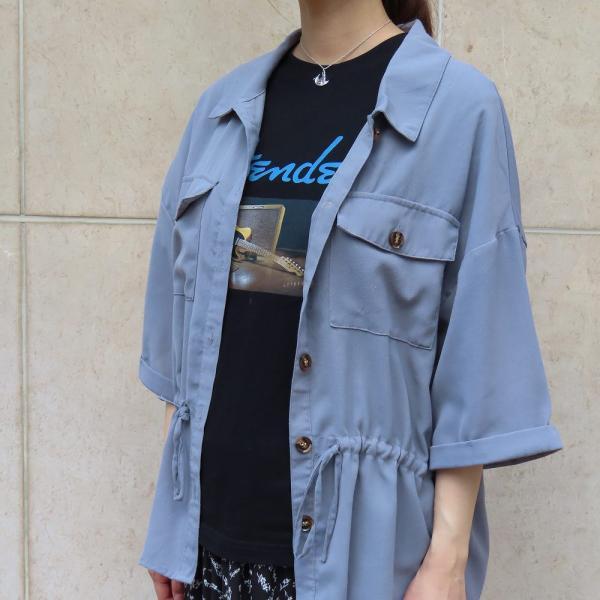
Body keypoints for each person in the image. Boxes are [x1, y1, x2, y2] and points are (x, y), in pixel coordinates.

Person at [137, 1, 564, 599]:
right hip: (211, 552)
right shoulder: (220, 110)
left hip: (363, 562)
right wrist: (171, 521)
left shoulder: (459, 110)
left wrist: (448, 560)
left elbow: (479, 350)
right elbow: (181, 347)